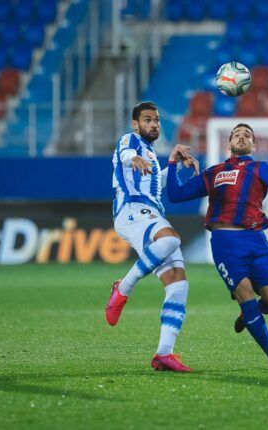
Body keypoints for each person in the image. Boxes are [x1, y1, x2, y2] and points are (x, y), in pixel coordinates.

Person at [166, 123, 268, 370]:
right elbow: (176, 195)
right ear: (228, 144)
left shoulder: (260, 168)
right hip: (225, 242)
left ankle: (248, 313)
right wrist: (172, 163)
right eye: (237, 135)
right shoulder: (214, 172)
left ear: (253, 146)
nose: (242, 137)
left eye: (248, 135)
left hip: (255, 239)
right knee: (245, 294)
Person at [106, 101, 195, 372]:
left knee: (178, 283)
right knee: (170, 239)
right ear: (136, 124)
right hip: (132, 210)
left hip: (150, 211)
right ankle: (123, 288)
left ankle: (163, 354)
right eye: (147, 120)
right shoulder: (130, 141)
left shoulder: (150, 153)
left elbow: (156, 181)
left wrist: (175, 164)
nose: (154, 124)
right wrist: (132, 158)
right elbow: (125, 156)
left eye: (156, 119)